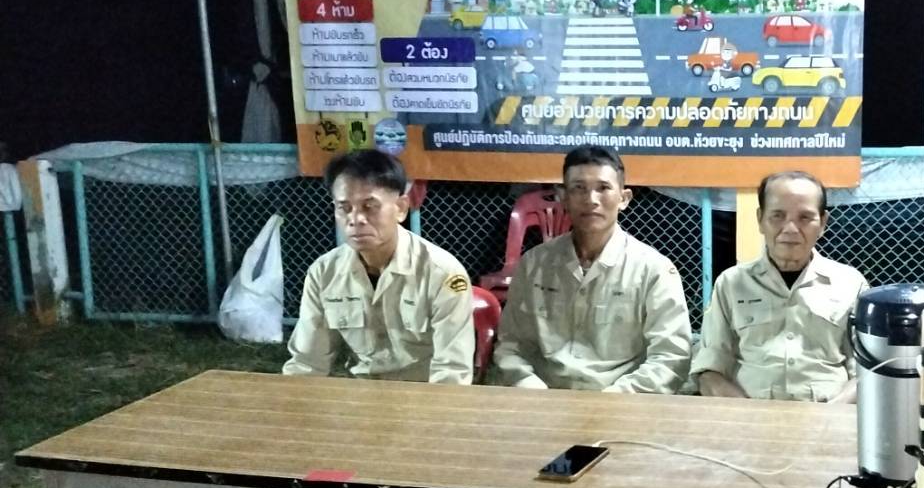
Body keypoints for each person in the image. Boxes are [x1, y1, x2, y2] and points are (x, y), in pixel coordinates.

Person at [493, 145, 691, 392]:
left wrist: (613, 399)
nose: (591, 200)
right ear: (563, 197)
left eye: (603, 188)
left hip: (623, 401)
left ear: (624, 199)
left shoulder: (653, 270)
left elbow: (671, 358)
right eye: (579, 188)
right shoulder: (534, 264)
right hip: (543, 397)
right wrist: (530, 387)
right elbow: (510, 345)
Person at [284, 150, 474, 384]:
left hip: (423, 394)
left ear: (401, 208)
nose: (356, 219)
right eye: (344, 208)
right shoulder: (324, 273)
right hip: (360, 394)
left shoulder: (442, 273)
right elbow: (307, 363)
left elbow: (451, 372)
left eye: (369, 206)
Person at [692, 170, 868, 403]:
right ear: (760, 220)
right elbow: (709, 371)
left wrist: (830, 415)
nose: (791, 229)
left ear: (823, 223)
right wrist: (746, 415)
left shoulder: (851, 284)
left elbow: (866, 372)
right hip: (747, 415)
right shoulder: (731, 284)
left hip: (828, 415)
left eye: (805, 217)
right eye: (777, 216)